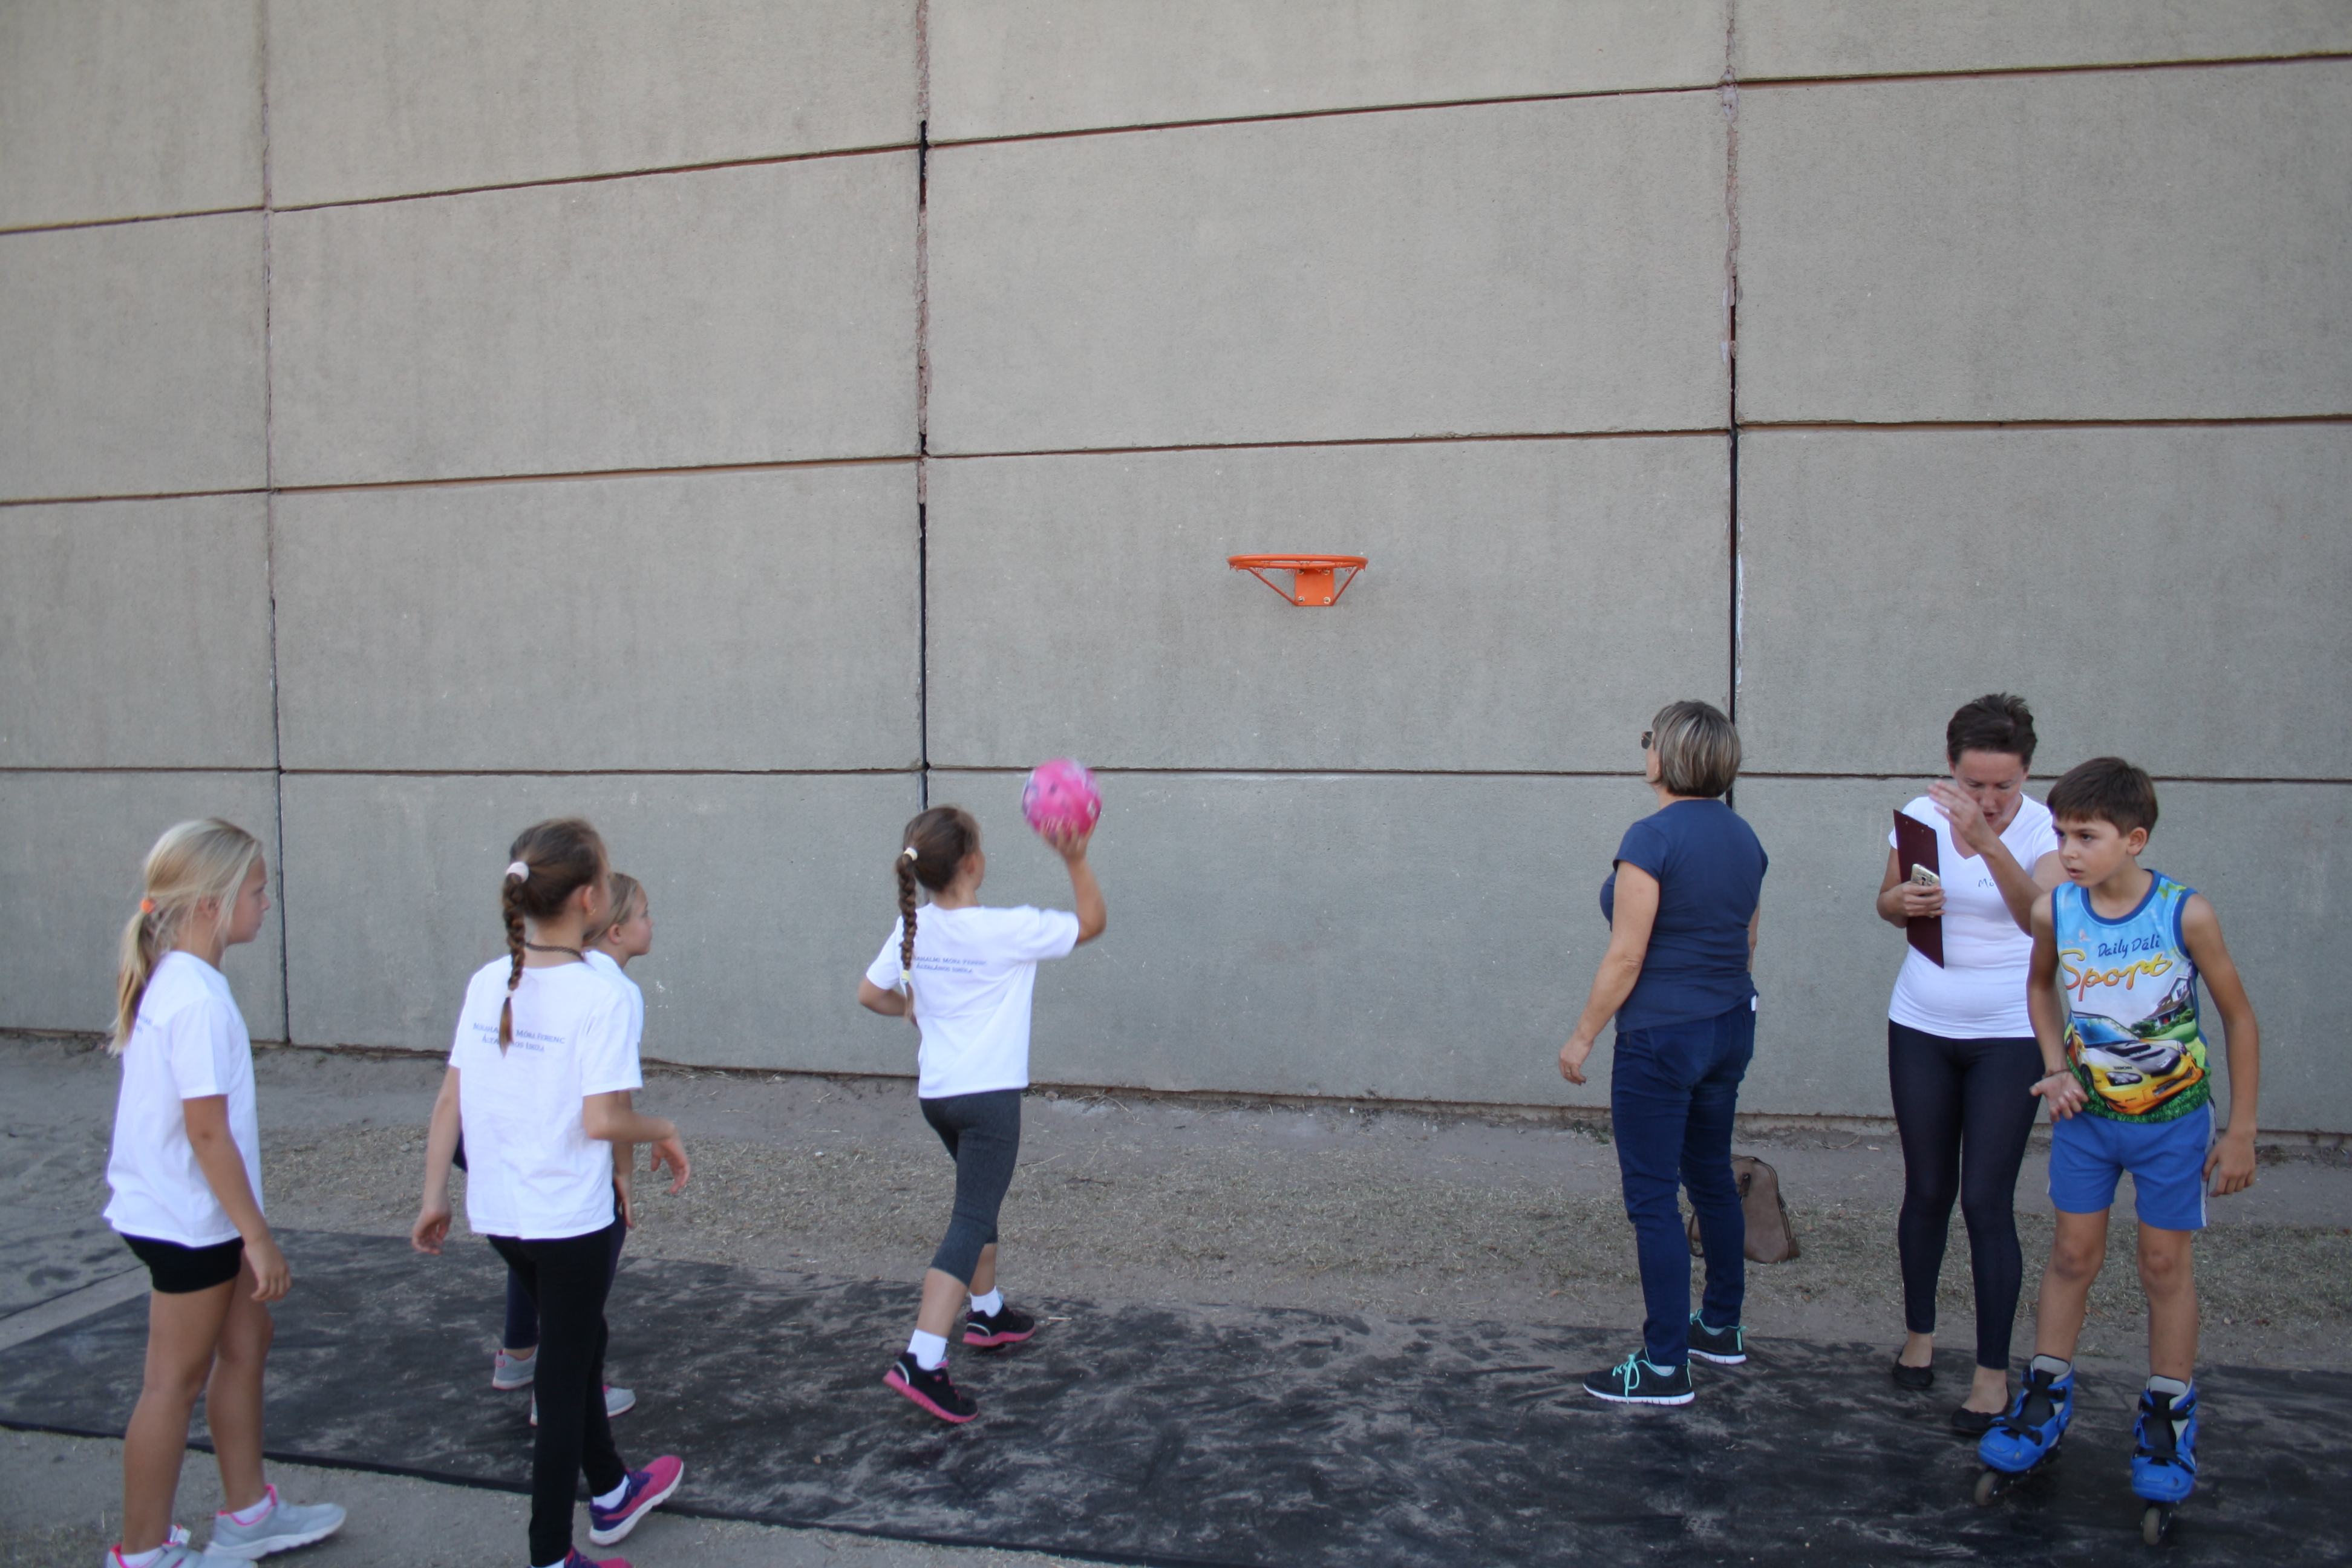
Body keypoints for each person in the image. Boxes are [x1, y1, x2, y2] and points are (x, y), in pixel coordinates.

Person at [1978, 759, 2261, 1523]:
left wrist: (2241, 1130)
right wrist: (2054, 1067)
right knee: (2073, 1255)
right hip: (2087, 1122)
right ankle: (2044, 1397)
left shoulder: (2185, 913)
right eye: (2062, 834)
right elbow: (2041, 986)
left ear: (2134, 840)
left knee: (2164, 1264)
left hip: (2172, 1124)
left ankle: (2168, 1414)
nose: (2068, 851)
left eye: (2087, 836)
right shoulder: (2056, 910)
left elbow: (2238, 1016)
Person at [413, 821, 690, 1568]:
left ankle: (614, 1488)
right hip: (568, 1220)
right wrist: (664, 1128)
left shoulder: (488, 981)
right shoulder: (601, 995)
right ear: (591, 898)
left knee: (580, 1343)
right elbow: (605, 1119)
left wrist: (434, 1197)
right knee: (564, 1383)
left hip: (502, 1214)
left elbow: (449, 1103)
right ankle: (550, 1554)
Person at [102, 819, 345, 1567]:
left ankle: (248, 1513)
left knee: (247, 1341)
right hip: (187, 1222)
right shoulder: (197, 1000)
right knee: (170, 1387)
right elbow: (207, 1133)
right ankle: (141, 1552)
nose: (267, 903)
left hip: (193, 1214)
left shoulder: (182, 982)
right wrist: (257, 1237)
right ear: (210, 903)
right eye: (257, 890)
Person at [857, 805, 1105, 1423]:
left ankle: (988, 1313)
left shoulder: (913, 926)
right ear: (973, 864)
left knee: (978, 1202)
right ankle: (922, 1359)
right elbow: (1091, 923)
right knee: (970, 1217)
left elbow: (870, 994)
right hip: (988, 1099)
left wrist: (915, 1011)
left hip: (938, 1097)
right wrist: (1075, 858)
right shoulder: (1006, 928)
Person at [1558, 702, 1766, 1406]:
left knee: (1652, 1196)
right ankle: (1721, 1327)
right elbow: (1747, 939)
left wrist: (1584, 1034)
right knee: (1709, 1175)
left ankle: (1665, 1365)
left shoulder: (1650, 838)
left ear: (1667, 755)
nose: (1644, 747)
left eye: (1650, 738)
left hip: (1662, 1036)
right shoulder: (1743, 836)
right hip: (1728, 1024)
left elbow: (1628, 955)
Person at [1875, 694, 2066, 1431]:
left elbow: (2043, 920)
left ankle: (1991, 1373)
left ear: (2027, 775)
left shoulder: (2045, 828)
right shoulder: (1922, 815)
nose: (1987, 799)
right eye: (1973, 783)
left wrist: (1988, 843)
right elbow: (1887, 904)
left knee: (1987, 1200)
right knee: (1926, 1189)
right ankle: (1919, 1336)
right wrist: (1899, 902)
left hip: (2011, 1032)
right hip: (1921, 1021)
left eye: (2003, 786)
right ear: (1950, 767)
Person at [479, 872, 653, 1428]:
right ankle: (563, 1387)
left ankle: (519, 1355)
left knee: (536, 1249)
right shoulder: (613, 991)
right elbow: (615, 1098)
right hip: (563, 1153)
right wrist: (625, 1173)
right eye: (645, 914)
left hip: (511, 1145)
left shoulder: (529, 971)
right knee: (579, 1270)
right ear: (616, 930)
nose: (653, 923)